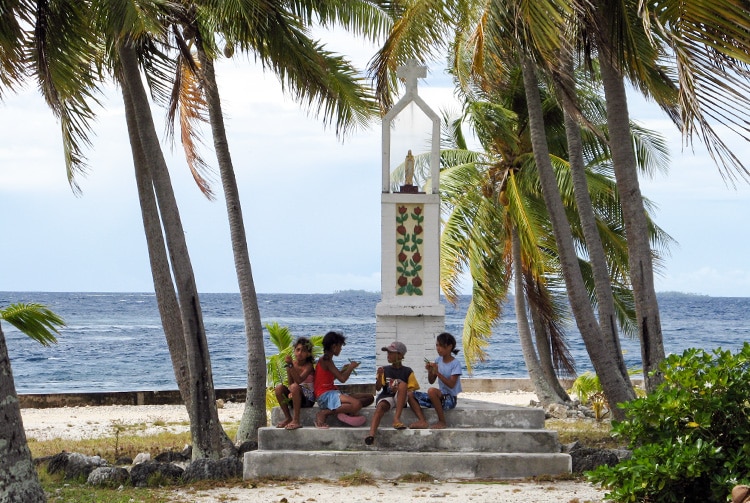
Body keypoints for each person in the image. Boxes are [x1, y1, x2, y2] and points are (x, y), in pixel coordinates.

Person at [364, 340, 428, 446]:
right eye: (388, 353)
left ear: (400, 355)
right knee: (380, 407)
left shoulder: (407, 371)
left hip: (400, 398)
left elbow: (411, 389)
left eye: (391, 353)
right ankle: (371, 434)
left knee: (403, 385)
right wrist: (380, 376)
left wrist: (398, 389)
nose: (388, 355)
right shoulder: (384, 369)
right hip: (387, 395)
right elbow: (378, 388)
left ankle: (396, 419)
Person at [313, 330, 366, 429]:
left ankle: (343, 411)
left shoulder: (327, 360)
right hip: (325, 395)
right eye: (340, 347)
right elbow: (342, 379)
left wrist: (343, 370)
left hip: (331, 392)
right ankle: (324, 413)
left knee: (368, 398)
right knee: (357, 404)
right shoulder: (326, 360)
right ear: (334, 347)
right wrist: (350, 368)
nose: (340, 349)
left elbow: (332, 377)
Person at [413, 332, 463, 429]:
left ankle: (442, 421)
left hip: (450, 399)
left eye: (441, 346)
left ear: (449, 347)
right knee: (410, 394)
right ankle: (422, 421)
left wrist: (437, 373)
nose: (438, 348)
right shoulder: (438, 360)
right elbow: (431, 380)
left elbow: (451, 385)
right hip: (440, 398)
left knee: (431, 391)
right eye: (437, 345)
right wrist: (430, 371)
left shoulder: (455, 364)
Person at [274, 337, 316, 430]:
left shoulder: (308, 366)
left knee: (295, 386)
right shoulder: (291, 365)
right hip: (295, 395)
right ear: (294, 351)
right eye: (298, 350)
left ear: (308, 354)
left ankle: (296, 420)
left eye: (303, 351)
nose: (300, 353)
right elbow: (290, 384)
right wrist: (290, 392)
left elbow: (299, 381)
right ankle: (288, 418)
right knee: (279, 388)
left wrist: (290, 365)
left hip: (308, 398)